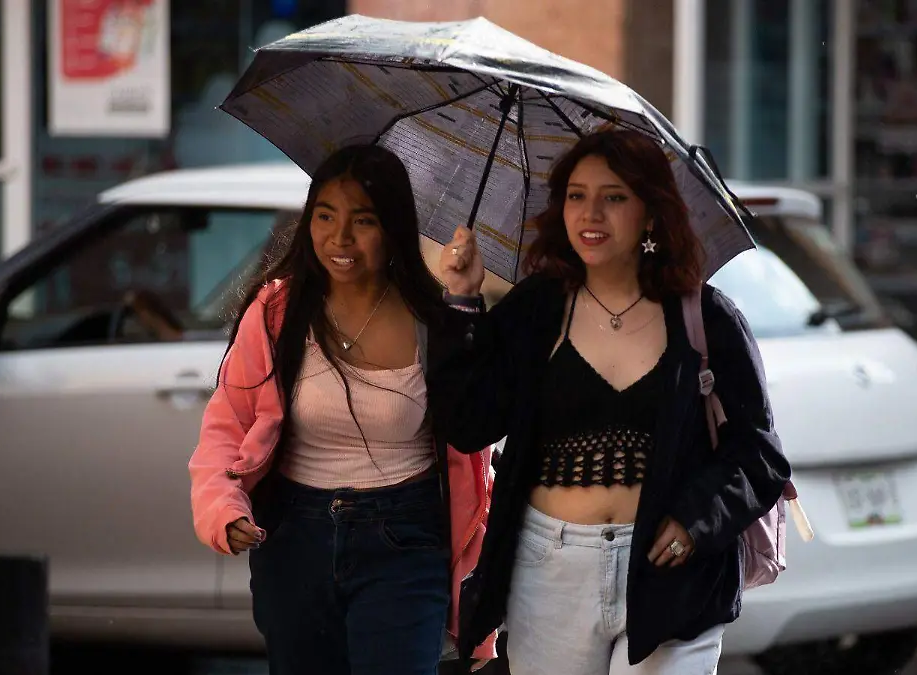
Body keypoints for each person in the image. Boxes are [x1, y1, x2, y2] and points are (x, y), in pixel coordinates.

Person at [430, 129, 792, 674]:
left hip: (671, 577)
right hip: (549, 572)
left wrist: (696, 521)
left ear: (650, 214)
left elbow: (759, 455)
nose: (590, 213)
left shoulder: (707, 318)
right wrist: (460, 302)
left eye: (614, 197)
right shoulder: (536, 309)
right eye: (576, 195)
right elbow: (468, 423)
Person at [188, 144, 497, 675]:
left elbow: (477, 424)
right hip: (294, 538)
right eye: (326, 216)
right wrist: (224, 508)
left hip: (405, 541)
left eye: (364, 221)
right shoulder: (277, 312)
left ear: (393, 227)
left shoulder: (433, 318)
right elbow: (227, 425)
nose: (340, 238)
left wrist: (464, 303)